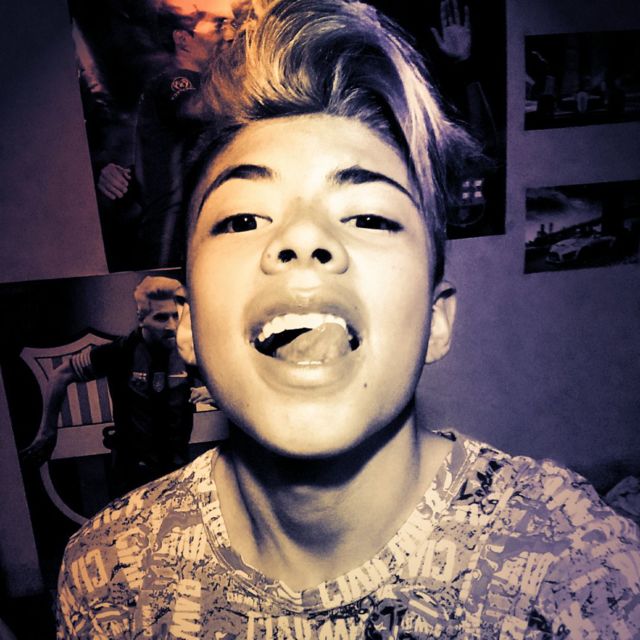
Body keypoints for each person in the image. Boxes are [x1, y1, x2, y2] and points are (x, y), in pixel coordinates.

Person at [56, 1, 640, 638]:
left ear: (437, 320)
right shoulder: (110, 575)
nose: (303, 238)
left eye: (367, 217)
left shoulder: (578, 568)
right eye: (244, 219)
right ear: (189, 325)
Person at [22, 276, 200, 497]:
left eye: (176, 316)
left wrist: (212, 394)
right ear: (142, 318)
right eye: (161, 317)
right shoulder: (121, 352)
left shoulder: (188, 353)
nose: (171, 326)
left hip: (177, 469)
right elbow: (61, 374)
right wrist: (47, 432)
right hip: (132, 474)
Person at [96, 0, 239, 268]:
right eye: (218, 25)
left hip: (188, 242)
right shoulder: (177, 81)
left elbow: (169, 163)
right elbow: (196, 109)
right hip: (170, 247)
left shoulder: (192, 87)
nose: (229, 34)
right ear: (183, 39)